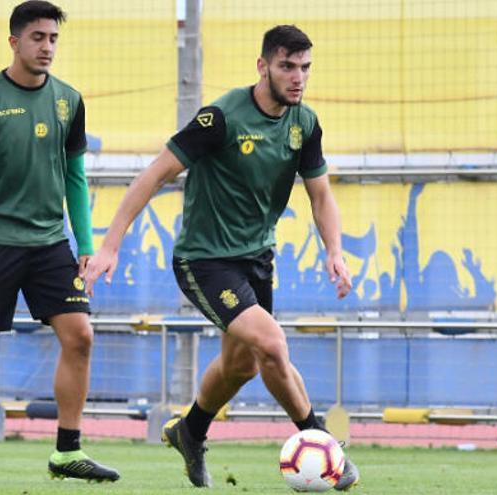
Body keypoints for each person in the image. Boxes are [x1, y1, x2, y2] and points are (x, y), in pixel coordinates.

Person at [85, 25, 359, 491]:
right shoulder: (221, 119)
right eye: (287, 67)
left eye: (305, 68)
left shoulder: (305, 124)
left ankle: (190, 431)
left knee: (243, 365)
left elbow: (320, 196)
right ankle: (322, 442)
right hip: (204, 260)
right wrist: (110, 243)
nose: (298, 78)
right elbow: (154, 175)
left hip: (256, 258)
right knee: (271, 343)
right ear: (263, 66)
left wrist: (335, 251)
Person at [0, 1, 119, 483]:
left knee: (81, 336)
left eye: (53, 38)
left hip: (51, 243)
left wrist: (87, 245)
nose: (47, 46)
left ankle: (66, 453)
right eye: (37, 37)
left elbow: (75, 177)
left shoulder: (69, 101)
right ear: (14, 42)